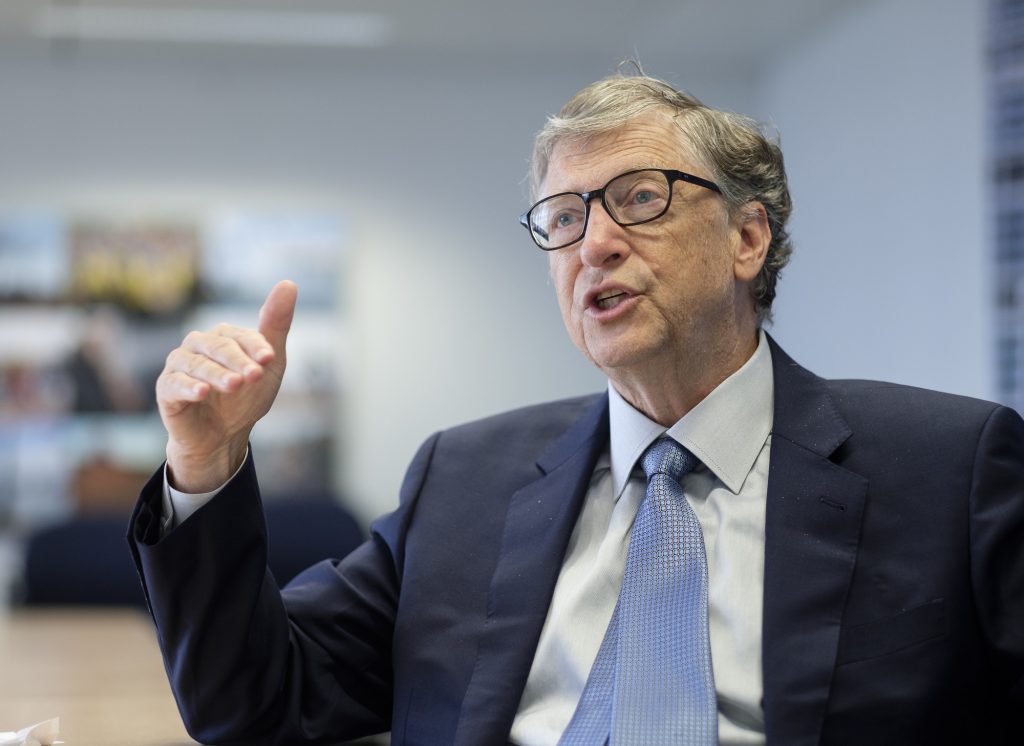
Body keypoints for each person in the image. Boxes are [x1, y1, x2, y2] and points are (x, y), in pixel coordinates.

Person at [128, 72, 1024, 746]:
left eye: (640, 199)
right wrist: (205, 462)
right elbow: (255, 705)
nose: (594, 243)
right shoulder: (464, 480)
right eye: (562, 218)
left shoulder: (948, 467)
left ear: (748, 238)